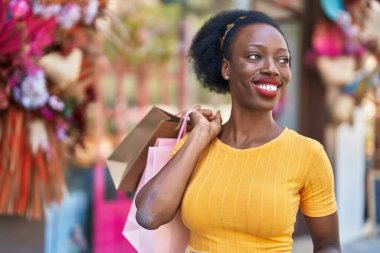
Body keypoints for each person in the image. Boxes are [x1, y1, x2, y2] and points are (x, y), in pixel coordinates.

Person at [135, 9, 341, 253]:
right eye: (255, 56)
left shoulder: (308, 153)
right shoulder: (197, 145)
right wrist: (199, 136)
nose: (273, 69)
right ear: (226, 68)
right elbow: (149, 215)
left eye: (283, 60)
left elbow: (328, 246)